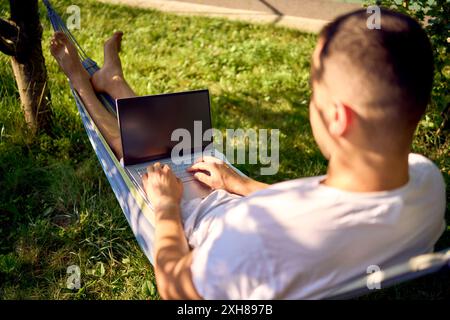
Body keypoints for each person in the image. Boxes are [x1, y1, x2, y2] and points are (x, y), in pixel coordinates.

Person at [50, 8, 446, 299]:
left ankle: (82, 84)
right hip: (238, 207)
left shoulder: (256, 238)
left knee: (145, 157)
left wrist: (167, 208)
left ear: (337, 117)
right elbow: (313, 206)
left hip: (211, 228)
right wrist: (239, 183)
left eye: (314, 91)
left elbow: (175, 288)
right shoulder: (427, 182)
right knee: (185, 145)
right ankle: (114, 83)